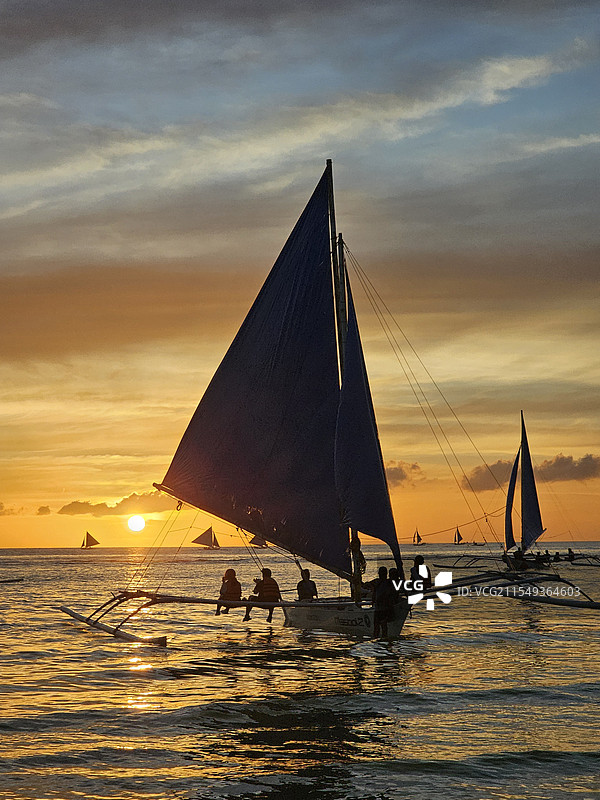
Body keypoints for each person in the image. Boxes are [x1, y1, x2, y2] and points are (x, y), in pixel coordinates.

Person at [371, 566, 395, 638]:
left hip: (382, 609)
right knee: (381, 628)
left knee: (379, 628)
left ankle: (379, 641)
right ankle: (383, 640)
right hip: (381, 609)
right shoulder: (385, 583)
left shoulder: (381, 582)